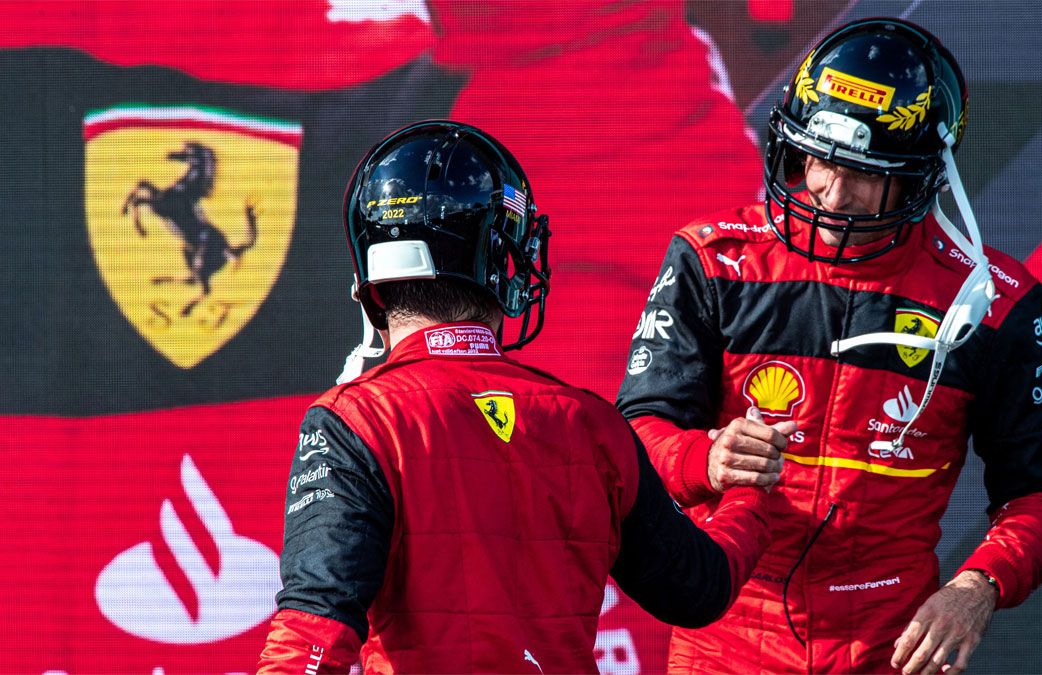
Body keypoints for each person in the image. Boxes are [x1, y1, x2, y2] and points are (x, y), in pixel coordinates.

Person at [616, 17, 1042, 675]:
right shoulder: (714, 260)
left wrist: (980, 585)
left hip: (891, 650)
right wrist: (704, 457)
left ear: (924, 175)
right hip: (725, 644)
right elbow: (637, 432)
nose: (833, 191)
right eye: (820, 157)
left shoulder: (993, 303)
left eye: (865, 172)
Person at [257, 120, 784, 673]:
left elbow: (313, 633)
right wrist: (753, 490)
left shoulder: (359, 418)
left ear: (372, 280)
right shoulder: (592, 423)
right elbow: (699, 588)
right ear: (505, 260)